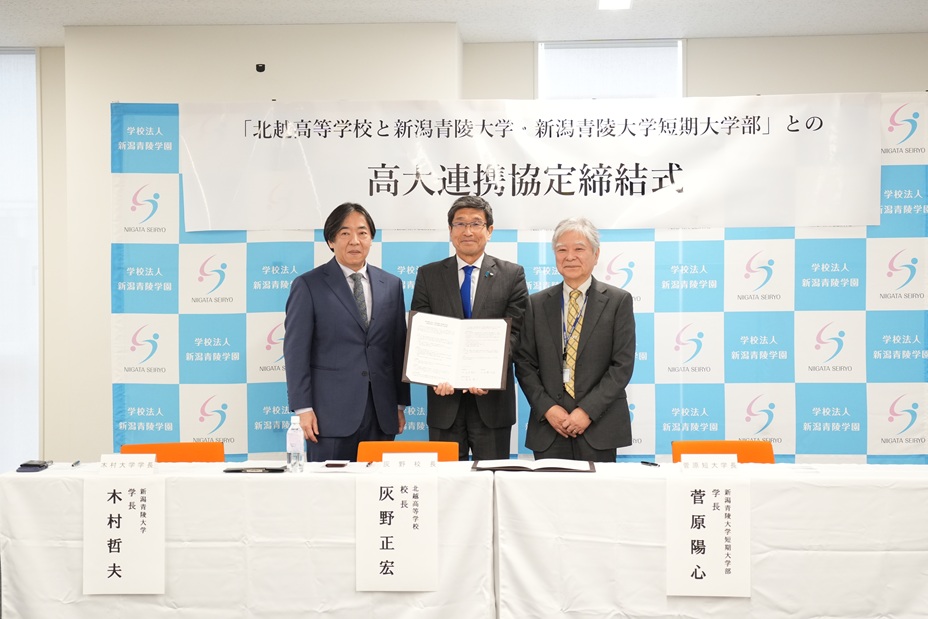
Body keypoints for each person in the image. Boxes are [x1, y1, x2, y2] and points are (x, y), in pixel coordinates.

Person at [284, 202, 410, 461]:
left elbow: (398, 348)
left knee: (378, 484)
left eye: (362, 233)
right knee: (330, 485)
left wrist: (399, 404)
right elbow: (296, 352)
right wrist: (303, 408)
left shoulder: (391, 284)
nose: (355, 240)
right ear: (331, 241)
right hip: (329, 416)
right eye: (345, 233)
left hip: (381, 413)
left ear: (371, 239)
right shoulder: (309, 285)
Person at [411, 196, 528, 460]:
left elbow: (517, 334)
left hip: (492, 403)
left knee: (492, 479)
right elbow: (421, 332)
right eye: (460, 224)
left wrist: (487, 372)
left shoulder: (512, 275)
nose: (467, 231)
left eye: (476, 224)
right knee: (447, 481)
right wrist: (435, 373)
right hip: (444, 400)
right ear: (450, 230)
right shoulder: (428, 275)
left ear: (489, 230)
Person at [515, 216, 635, 462]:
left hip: (599, 426)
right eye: (562, 250)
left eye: (579, 249)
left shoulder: (618, 301)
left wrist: (587, 411)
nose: (570, 257)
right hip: (549, 427)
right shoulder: (536, 304)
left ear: (596, 254)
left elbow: (621, 366)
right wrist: (548, 409)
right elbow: (524, 363)